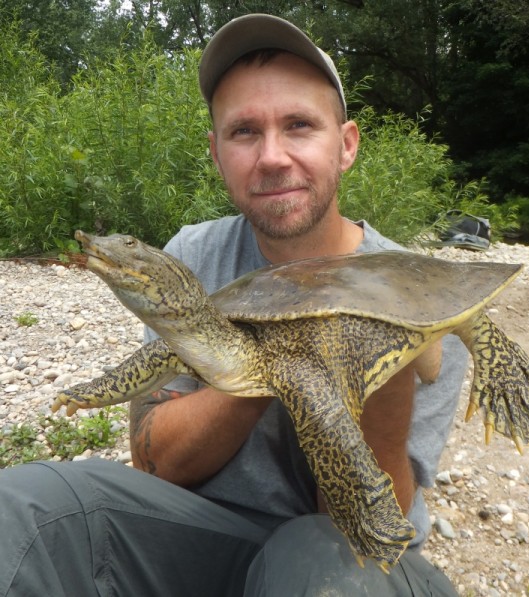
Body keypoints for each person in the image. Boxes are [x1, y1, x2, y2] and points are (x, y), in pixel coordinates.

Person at [0, 14, 468, 596]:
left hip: (344, 551)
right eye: (245, 132)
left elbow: (368, 527)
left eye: (299, 124)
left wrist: (378, 369)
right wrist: (263, 357)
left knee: (321, 567)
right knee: (23, 507)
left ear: (345, 145)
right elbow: (155, 462)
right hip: (203, 533)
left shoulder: (418, 293)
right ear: (217, 152)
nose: (272, 157)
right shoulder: (192, 255)